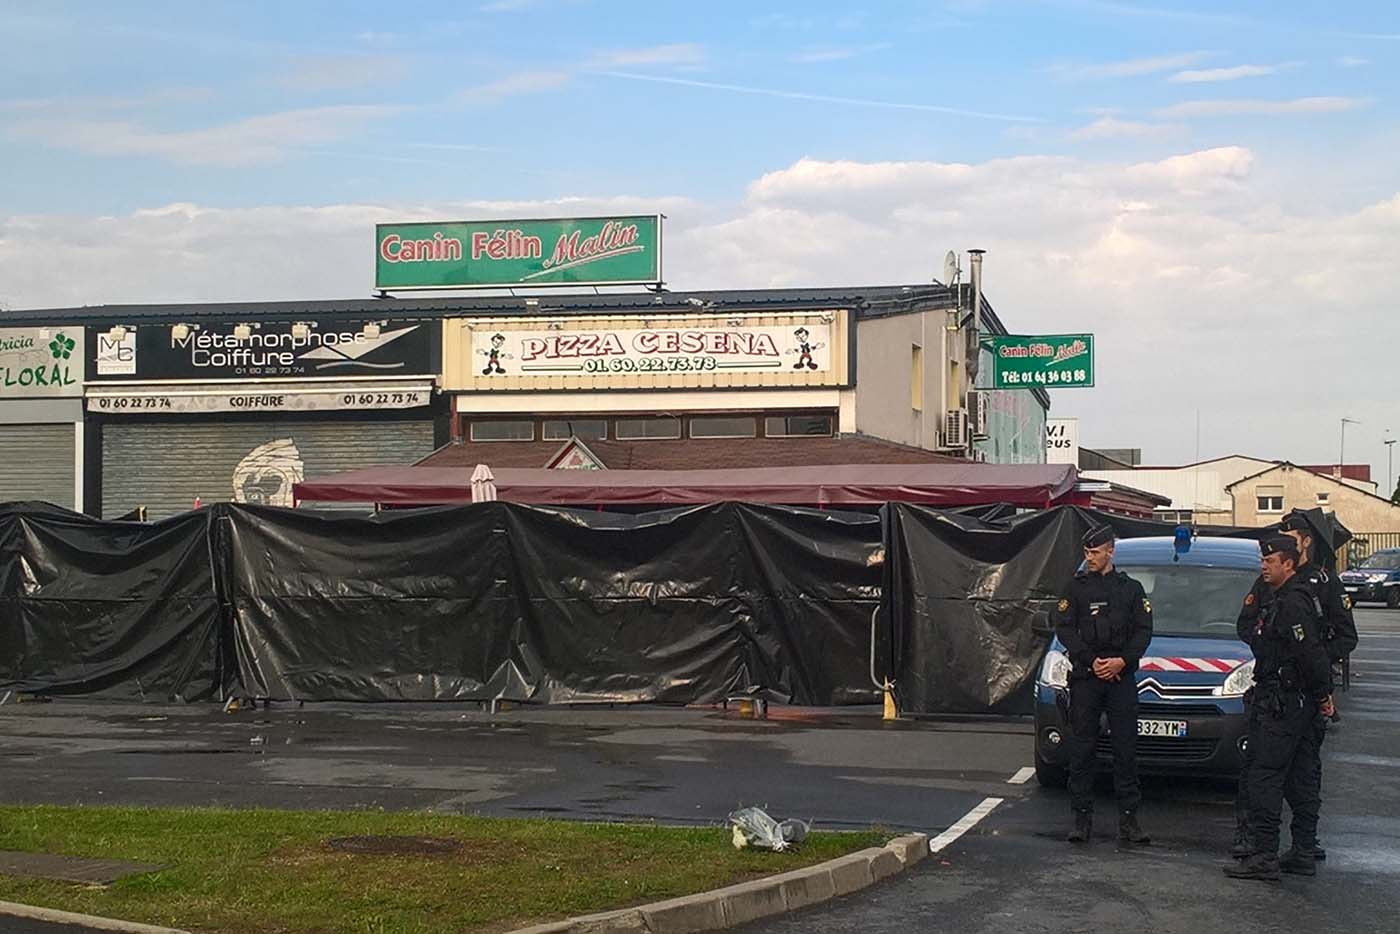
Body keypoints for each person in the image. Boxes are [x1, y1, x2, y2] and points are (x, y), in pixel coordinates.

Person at [1231, 508, 1358, 860]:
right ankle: (1251, 838)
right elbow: (1248, 625)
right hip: (1281, 687)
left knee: (1289, 773)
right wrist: (1273, 648)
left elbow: (1343, 638)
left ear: (1303, 543)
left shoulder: (1321, 583)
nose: (1265, 563)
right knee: (1259, 771)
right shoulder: (1269, 583)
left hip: (1296, 693)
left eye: (1295, 536)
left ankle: (1297, 846)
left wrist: (1306, 663)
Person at [1226, 536, 1335, 882]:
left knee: (1265, 775)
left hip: (1284, 703)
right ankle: (1301, 852)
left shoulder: (1293, 604)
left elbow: (1311, 654)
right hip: (1296, 701)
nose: (1264, 565)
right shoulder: (1283, 598)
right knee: (1300, 776)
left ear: (1288, 564)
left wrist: (1323, 695)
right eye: (1263, 559)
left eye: (1270, 560)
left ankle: (1265, 855)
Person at [1053, 525, 1154, 845]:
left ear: (1111, 551)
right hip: (1087, 677)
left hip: (1120, 677)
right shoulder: (1075, 588)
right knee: (1082, 749)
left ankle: (1129, 820)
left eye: (1095, 552)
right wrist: (1088, 660)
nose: (1090, 558)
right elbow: (1064, 628)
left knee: (1126, 750)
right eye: (1086, 552)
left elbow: (1143, 630)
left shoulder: (1131, 589)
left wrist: (1122, 661)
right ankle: (1081, 819)